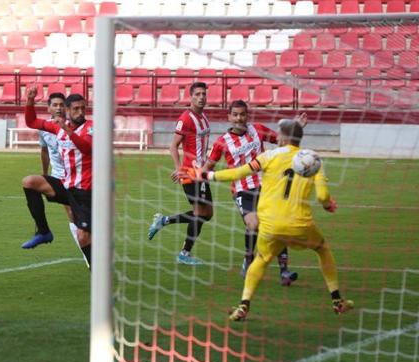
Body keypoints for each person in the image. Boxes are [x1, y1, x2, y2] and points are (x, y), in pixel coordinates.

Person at [184, 119, 353, 321]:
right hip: (300, 224)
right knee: (322, 249)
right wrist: (328, 205)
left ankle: (243, 305)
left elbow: (238, 173)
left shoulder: (269, 156)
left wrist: (206, 175)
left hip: (271, 225)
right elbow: (323, 197)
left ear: (282, 137)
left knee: (261, 259)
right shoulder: (314, 159)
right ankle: (337, 301)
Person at [204, 100, 303, 285]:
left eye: (242, 114)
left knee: (277, 225)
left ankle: (284, 272)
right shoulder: (221, 142)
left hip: (266, 187)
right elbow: (209, 166)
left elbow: (283, 143)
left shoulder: (257, 129)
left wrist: (295, 128)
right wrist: (194, 173)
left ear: (247, 115)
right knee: (253, 224)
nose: (239, 118)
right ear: (229, 117)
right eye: (235, 114)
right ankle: (249, 258)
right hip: (242, 190)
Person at [24, 87, 93, 268]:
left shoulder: (91, 127)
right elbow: (31, 121)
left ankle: (98, 272)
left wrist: (67, 130)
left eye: (83, 108)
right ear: (68, 111)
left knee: (84, 238)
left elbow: (87, 148)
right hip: (66, 185)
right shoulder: (57, 127)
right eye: (76, 109)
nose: (80, 112)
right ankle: (43, 231)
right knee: (30, 182)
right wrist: (30, 101)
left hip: (84, 191)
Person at [147, 82, 213, 265]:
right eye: (198, 94)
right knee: (200, 213)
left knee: (207, 214)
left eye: (204, 94)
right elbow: (173, 145)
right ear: (190, 97)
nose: (201, 97)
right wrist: (179, 168)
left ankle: (164, 220)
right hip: (190, 174)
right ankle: (184, 253)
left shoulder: (204, 118)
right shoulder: (186, 118)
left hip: (202, 173)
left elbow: (201, 147)